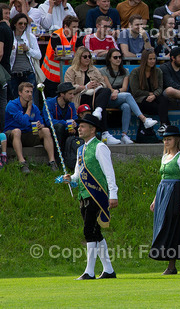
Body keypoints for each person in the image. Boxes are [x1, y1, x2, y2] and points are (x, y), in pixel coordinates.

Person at [61, 113, 118, 280]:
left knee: (89, 231)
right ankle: (108, 269)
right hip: (84, 194)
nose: (79, 128)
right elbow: (78, 175)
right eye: (79, 126)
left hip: (97, 195)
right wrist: (70, 179)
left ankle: (89, 271)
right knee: (95, 232)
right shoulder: (81, 149)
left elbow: (109, 173)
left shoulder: (100, 147)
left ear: (93, 130)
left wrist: (113, 194)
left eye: (83, 126)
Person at [149, 126, 180, 275]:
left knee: (174, 227)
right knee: (171, 227)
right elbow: (162, 179)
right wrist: (156, 199)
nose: (166, 142)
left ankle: (172, 265)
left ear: (176, 140)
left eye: (169, 139)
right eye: (164, 139)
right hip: (164, 194)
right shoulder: (165, 157)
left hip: (176, 193)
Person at [64, 47, 120, 144]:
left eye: (89, 56)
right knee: (102, 104)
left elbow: (104, 83)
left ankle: (98, 112)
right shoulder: (71, 70)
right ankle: (104, 133)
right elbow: (68, 87)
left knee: (106, 91)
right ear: (79, 57)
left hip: (94, 95)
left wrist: (98, 85)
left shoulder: (93, 69)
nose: (87, 59)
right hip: (80, 97)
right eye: (85, 56)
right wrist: (85, 87)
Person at [102, 49, 159, 142]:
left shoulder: (125, 71)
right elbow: (108, 88)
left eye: (120, 57)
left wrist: (117, 91)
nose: (118, 59)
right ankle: (144, 120)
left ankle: (124, 135)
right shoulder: (103, 71)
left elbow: (124, 88)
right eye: (115, 57)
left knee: (126, 106)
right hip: (107, 97)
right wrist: (114, 91)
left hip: (118, 97)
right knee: (128, 95)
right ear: (109, 59)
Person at [5, 81, 58, 172]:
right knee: (17, 131)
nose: (30, 94)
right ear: (20, 93)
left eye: (31, 92)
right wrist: (29, 108)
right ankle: (22, 162)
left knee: (45, 130)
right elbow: (24, 122)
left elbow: (41, 122)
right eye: (27, 92)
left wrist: (40, 126)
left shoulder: (34, 108)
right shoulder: (12, 105)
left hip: (28, 134)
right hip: (12, 135)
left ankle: (52, 161)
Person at [129, 50, 172, 133]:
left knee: (164, 99)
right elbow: (135, 91)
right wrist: (148, 94)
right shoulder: (136, 72)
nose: (153, 61)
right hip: (140, 100)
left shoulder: (158, 71)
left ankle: (163, 124)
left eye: (154, 59)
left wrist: (154, 95)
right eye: (150, 59)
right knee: (160, 107)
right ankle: (167, 125)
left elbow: (160, 88)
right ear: (145, 60)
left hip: (154, 98)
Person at [40, 16, 79, 97]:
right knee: (52, 101)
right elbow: (58, 53)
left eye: (77, 27)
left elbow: (81, 51)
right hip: (51, 75)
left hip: (66, 75)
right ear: (66, 26)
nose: (76, 29)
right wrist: (72, 52)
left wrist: (66, 52)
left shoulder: (76, 36)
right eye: (74, 27)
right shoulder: (56, 35)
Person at [44, 81, 79, 167]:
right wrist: (66, 123)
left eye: (73, 94)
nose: (72, 96)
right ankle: (57, 160)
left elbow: (75, 119)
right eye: (70, 94)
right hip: (53, 132)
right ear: (62, 94)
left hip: (68, 130)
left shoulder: (71, 105)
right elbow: (49, 121)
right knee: (59, 127)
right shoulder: (49, 103)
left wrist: (75, 125)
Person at [8, 14, 41, 99]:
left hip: (28, 73)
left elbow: (39, 55)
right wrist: (10, 49)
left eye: (25, 24)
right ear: (15, 24)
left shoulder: (30, 37)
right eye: (20, 23)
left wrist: (28, 49)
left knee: (31, 100)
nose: (23, 25)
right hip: (13, 73)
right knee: (15, 101)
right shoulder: (9, 36)